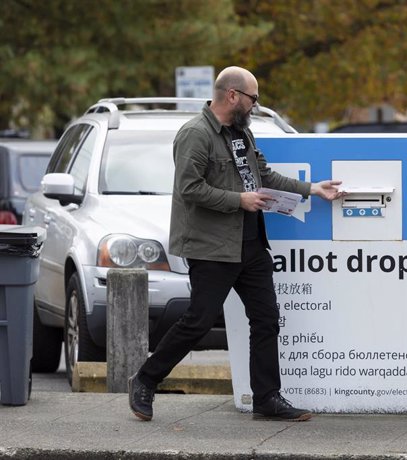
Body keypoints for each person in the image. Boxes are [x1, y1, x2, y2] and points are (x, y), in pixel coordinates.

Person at [128, 66, 342, 422]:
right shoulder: (195, 135)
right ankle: (145, 379)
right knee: (198, 321)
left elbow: (264, 175)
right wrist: (238, 200)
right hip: (211, 246)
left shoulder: (242, 133)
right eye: (253, 98)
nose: (255, 106)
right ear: (232, 96)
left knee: (266, 319)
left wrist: (312, 189)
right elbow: (189, 189)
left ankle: (267, 398)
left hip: (251, 244)